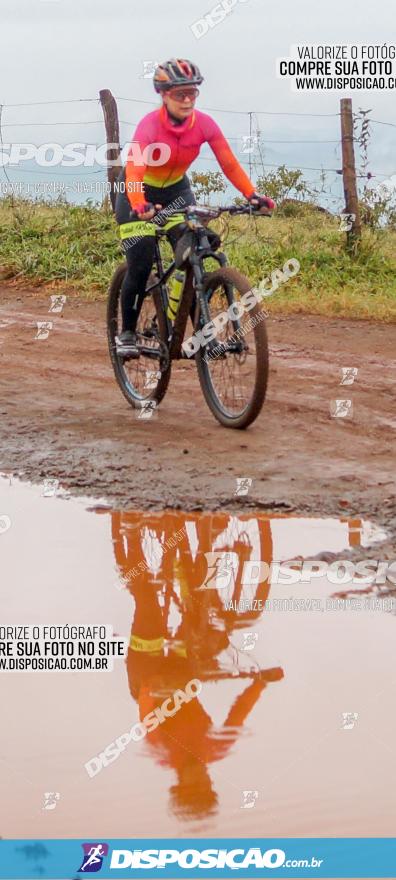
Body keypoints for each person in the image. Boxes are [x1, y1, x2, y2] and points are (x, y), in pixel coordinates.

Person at [115, 58, 275, 356]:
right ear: (163, 94)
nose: (187, 100)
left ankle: (201, 332)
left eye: (192, 93)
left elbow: (228, 163)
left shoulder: (204, 124)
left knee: (198, 246)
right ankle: (126, 333)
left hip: (177, 191)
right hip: (138, 194)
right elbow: (135, 170)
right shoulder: (149, 126)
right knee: (141, 256)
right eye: (180, 94)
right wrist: (139, 204)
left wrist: (252, 195)